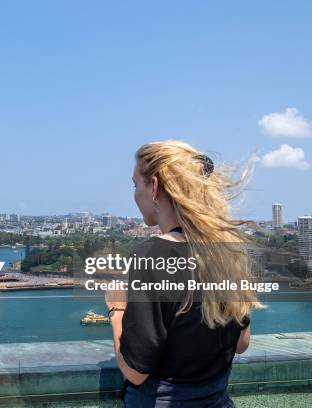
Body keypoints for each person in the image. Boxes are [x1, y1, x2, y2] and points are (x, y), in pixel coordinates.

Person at [105, 140, 262, 407]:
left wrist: (116, 309)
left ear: (154, 187)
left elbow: (136, 371)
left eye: (136, 185)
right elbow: (241, 343)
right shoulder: (227, 252)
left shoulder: (150, 256)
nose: (135, 194)